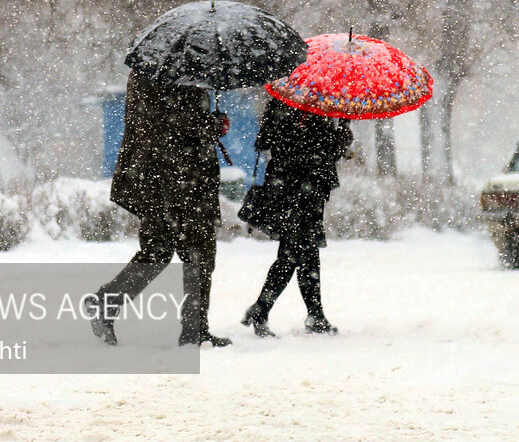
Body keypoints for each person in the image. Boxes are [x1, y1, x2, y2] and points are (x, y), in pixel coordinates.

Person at [86, 71, 231, 347]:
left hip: (167, 181)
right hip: (176, 182)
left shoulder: (167, 70)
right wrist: (209, 125)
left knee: (163, 251)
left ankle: (108, 303)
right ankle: (193, 330)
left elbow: (166, 123)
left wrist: (207, 123)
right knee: (194, 253)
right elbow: (169, 124)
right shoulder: (165, 75)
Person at [241, 97, 352, 337]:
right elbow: (307, 153)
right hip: (296, 191)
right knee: (295, 253)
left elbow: (314, 153)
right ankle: (265, 308)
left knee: (305, 252)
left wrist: (342, 133)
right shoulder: (296, 108)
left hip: (302, 190)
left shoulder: (294, 105)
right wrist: (336, 138)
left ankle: (313, 314)